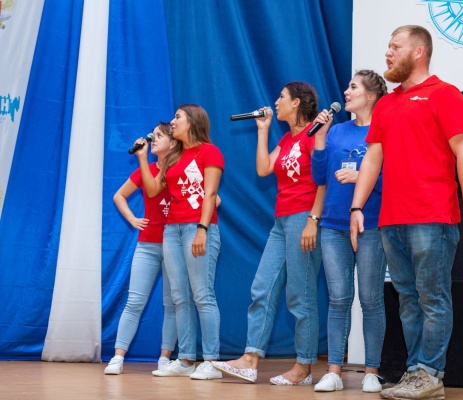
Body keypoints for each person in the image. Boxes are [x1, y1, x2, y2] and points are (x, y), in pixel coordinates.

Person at [349, 25, 463, 400]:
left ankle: (430, 373)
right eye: (387, 46)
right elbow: (372, 158)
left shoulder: (445, 95)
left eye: (395, 46)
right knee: (408, 300)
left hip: (433, 216)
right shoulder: (386, 105)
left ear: (418, 52)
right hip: (391, 220)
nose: (388, 53)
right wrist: (357, 206)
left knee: (432, 298)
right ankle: (416, 374)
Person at [212, 82, 324, 385]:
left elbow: (324, 180)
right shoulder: (287, 138)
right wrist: (263, 130)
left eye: (282, 97)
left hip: (303, 217)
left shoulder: (315, 133)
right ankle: (250, 359)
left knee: (300, 295)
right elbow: (264, 169)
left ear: (296, 102)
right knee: (262, 287)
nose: (276, 102)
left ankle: (303, 367)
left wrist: (313, 220)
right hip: (282, 221)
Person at [309, 70, 388, 393]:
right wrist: (320, 138)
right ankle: (333, 371)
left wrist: (363, 177)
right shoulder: (337, 130)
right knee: (338, 299)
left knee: (371, 299)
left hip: (371, 224)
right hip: (333, 225)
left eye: (353, 87)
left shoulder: (384, 132)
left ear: (371, 96)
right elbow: (319, 177)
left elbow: (394, 177)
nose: (346, 91)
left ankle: (371, 371)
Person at [136, 104, 224, 380]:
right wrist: (142, 158)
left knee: (202, 294)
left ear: (193, 122)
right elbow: (153, 190)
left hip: (197, 228)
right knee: (179, 297)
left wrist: (202, 229)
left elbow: (210, 194)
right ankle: (186, 360)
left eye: (177, 117)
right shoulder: (174, 157)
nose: (172, 122)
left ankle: (211, 361)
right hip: (171, 231)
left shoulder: (210, 151)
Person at [104, 122, 178, 375]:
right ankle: (118, 357)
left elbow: (212, 197)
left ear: (174, 142)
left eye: (159, 136)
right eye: (152, 136)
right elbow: (119, 195)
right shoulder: (146, 168)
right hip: (147, 245)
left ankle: (165, 357)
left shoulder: (180, 169)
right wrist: (132, 219)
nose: (153, 140)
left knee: (172, 304)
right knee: (134, 301)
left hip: (175, 245)